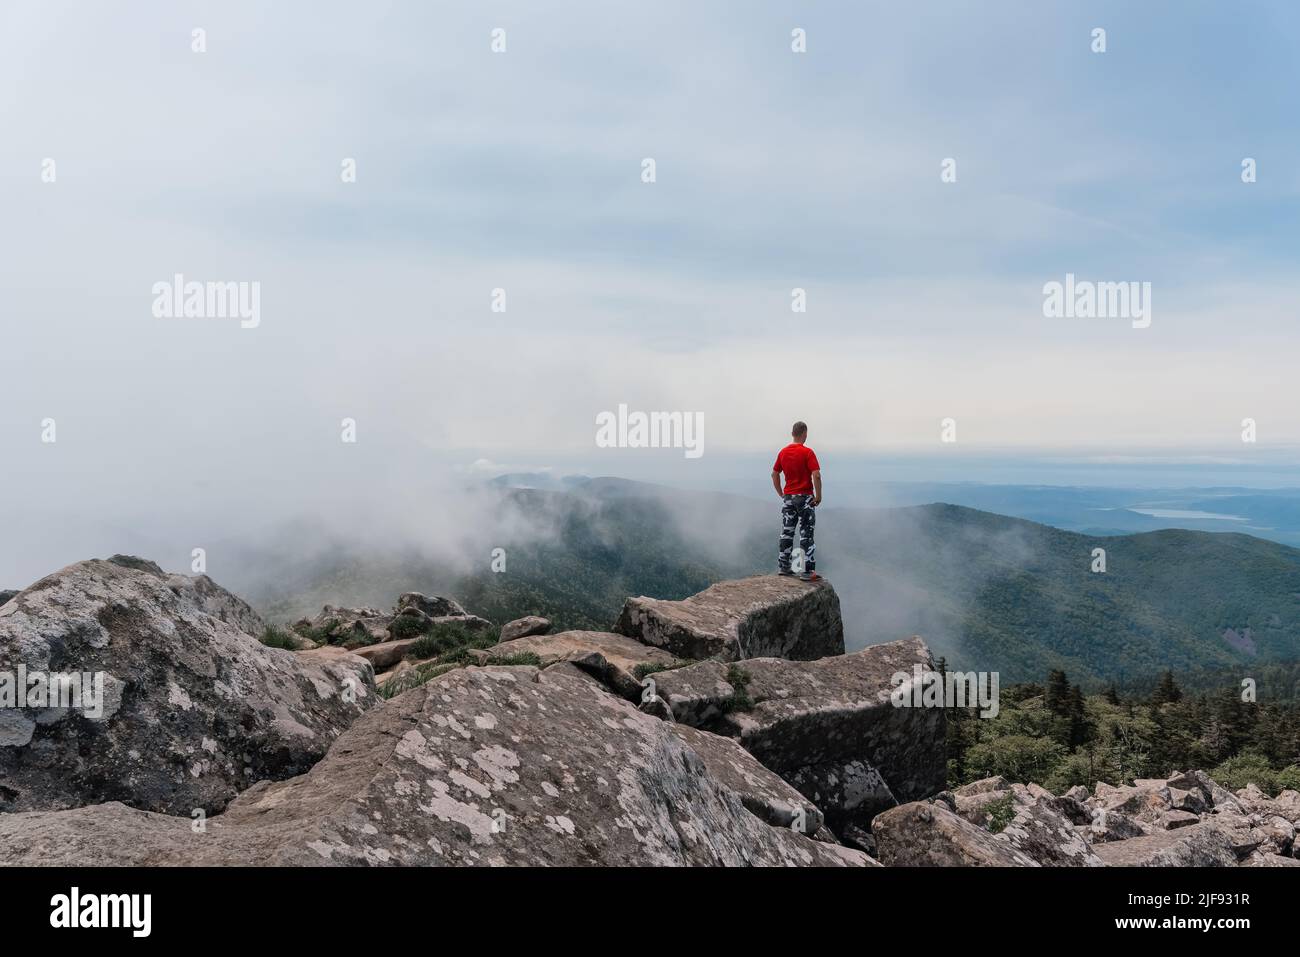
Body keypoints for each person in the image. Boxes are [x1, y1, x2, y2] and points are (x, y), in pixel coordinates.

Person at [771, 421, 822, 582]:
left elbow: (774, 474)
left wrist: (782, 493)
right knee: (805, 534)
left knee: (787, 531)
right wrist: (818, 496)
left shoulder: (783, 452)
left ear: (792, 433)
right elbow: (816, 475)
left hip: (788, 498)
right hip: (805, 497)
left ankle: (785, 567)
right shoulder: (808, 452)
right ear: (804, 434)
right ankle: (805, 571)